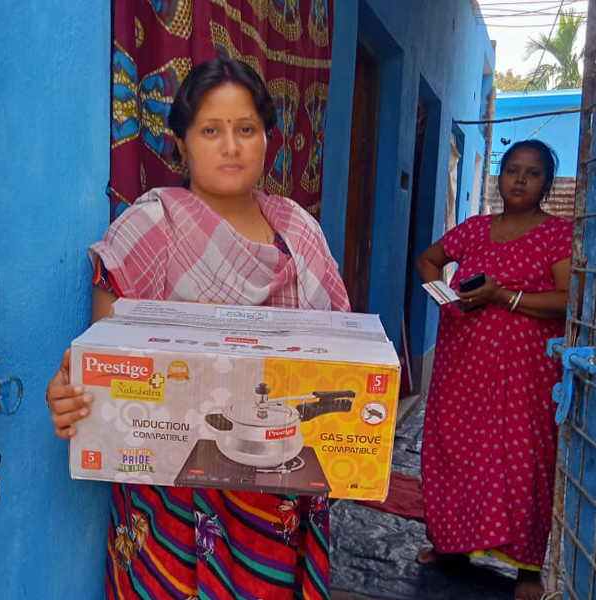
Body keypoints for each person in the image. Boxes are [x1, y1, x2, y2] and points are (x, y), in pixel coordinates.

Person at [46, 57, 350, 600]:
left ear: (266, 140)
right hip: (173, 496)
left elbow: (340, 354)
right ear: (182, 144)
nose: (230, 146)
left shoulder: (300, 233)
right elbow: (103, 365)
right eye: (210, 130)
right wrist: (73, 393)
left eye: (246, 129)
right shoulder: (149, 225)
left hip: (276, 493)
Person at [415, 140, 572, 600]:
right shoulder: (474, 230)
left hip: (525, 372)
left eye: (534, 172)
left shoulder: (557, 234)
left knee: (521, 459)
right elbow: (429, 260)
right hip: (462, 364)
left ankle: (526, 566)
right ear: (499, 177)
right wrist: (443, 295)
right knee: (457, 450)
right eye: (512, 170)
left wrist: (504, 298)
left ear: (547, 182)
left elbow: (567, 300)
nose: (520, 179)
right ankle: (451, 547)